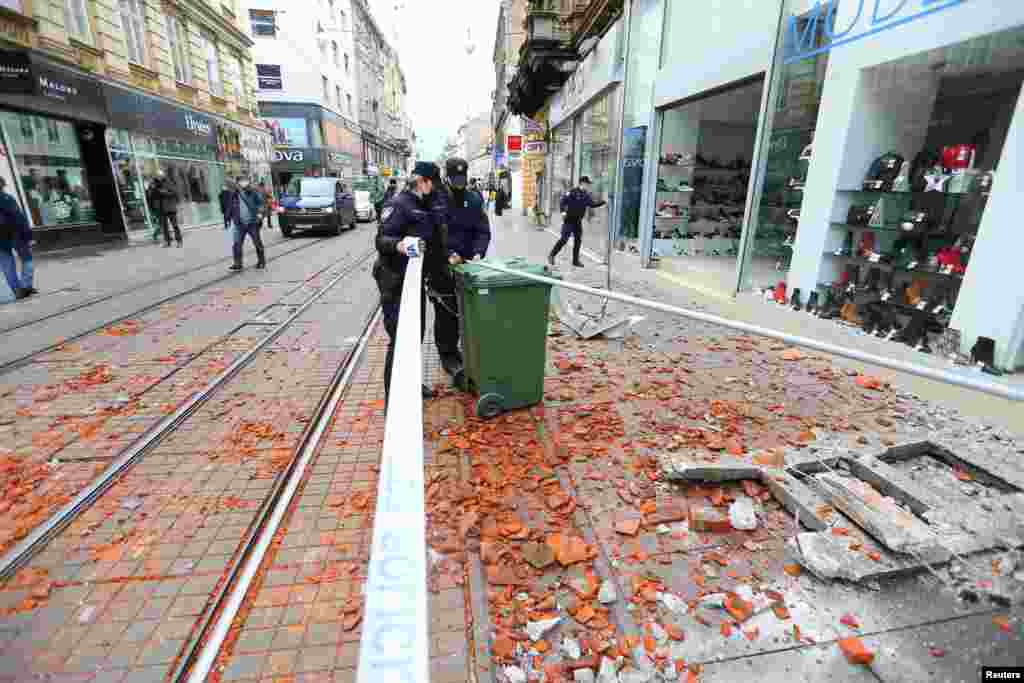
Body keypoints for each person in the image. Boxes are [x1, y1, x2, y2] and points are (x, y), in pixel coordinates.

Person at [373, 161, 455, 406]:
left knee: (414, 336)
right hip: (395, 282)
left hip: (414, 281)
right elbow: (381, 240)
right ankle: (394, 400)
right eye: (434, 183)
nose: (436, 189)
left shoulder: (425, 203)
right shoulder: (399, 204)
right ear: (424, 182)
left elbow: (434, 238)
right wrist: (397, 245)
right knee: (399, 339)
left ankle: (410, 385)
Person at [549, 175, 606, 268]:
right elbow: (562, 201)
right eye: (588, 184)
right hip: (569, 219)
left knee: (578, 241)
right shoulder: (572, 192)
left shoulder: (586, 195)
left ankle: (575, 261)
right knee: (564, 239)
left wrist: (603, 202)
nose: (588, 186)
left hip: (578, 221)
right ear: (582, 183)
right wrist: (563, 212)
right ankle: (552, 255)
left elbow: (592, 204)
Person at [0, 176, 34, 302]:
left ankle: (17, 290)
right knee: (27, 260)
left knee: (7, 265)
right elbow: (18, 217)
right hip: (15, 235)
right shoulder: (6, 198)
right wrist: (28, 235)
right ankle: (25, 287)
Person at [225, 176, 266, 271]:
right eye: (240, 181)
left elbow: (260, 203)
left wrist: (260, 213)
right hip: (239, 223)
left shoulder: (253, 192)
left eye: (244, 181)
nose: (242, 183)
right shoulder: (234, 194)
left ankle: (261, 261)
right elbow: (230, 206)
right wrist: (227, 218)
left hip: (252, 222)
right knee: (237, 244)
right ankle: (237, 263)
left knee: (257, 243)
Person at [146, 172, 183, 247]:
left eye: (160, 176)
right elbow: (151, 197)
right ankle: (167, 241)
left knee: (175, 225)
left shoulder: (169, 183)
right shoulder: (154, 185)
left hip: (170, 208)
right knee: (164, 227)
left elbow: (174, 193)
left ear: (163, 176)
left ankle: (179, 241)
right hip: (160, 209)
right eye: (157, 177)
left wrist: (163, 192)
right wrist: (151, 190)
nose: (158, 178)